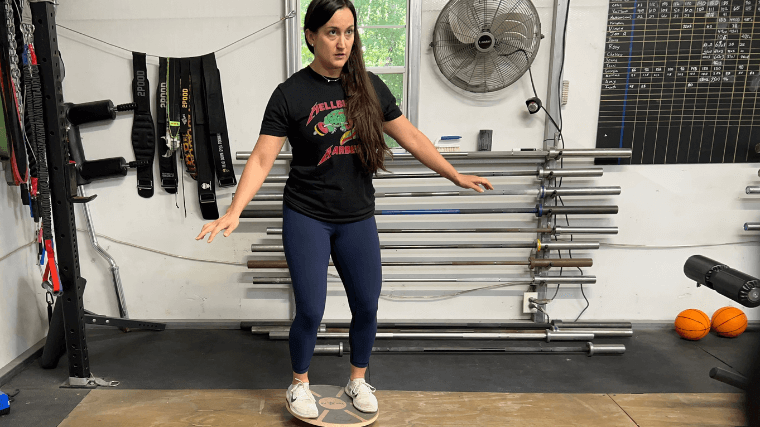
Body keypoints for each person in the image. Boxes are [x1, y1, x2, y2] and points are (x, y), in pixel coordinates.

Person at [196, 0, 494, 419]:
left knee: (367, 304)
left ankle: (357, 379)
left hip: (356, 216)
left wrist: (454, 174)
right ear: (311, 37)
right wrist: (234, 210)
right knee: (312, 309)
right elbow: (262, 159)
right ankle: (299, 383)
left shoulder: (370, 87)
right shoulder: (290, 94)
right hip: (307, 215)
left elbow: (410, 135)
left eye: (349, 32)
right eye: (332, 32)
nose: (342, 42)